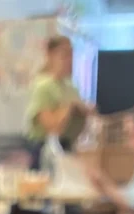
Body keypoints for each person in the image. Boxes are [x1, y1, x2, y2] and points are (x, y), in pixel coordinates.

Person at [25, 36, 89, 168]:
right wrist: (70, 107)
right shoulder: (44, 86)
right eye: (64, 55)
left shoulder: (69, 86)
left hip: (68, 146)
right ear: (50, 55)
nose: (69, 60)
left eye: (71, 55)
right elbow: (52, 127)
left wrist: (84, 111)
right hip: (46, 150)